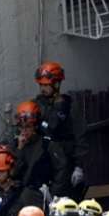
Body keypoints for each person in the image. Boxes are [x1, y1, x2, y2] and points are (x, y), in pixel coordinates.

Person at [33, 61, 89, 198]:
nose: (43, 88)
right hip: (44, 159)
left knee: (65, 199)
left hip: (66, 159)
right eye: (41, 85)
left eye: (46, 85)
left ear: (56, 84)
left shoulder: (69, 106)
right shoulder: (37, 105)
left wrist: (79, 166)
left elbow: (80, 136)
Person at [12, 100, 70, 200]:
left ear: (35, 126)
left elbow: (62, 171)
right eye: (21, 127)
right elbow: (13, 173)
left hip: (43, 196)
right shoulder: (16, 145)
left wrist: (53, 195)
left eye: (28, 127)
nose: (24, 131)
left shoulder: (48, 145)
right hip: (21, 197)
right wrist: (19, 149)